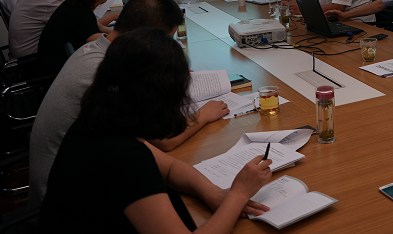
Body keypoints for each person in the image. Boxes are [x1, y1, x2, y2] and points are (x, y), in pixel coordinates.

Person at [39, 28, 272, 233]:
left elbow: (169, 169)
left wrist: (212, 193)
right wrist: (238, 194)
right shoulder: (124, 157)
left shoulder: (99, 121)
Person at [29, 0, 230, 208]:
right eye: (166, 41)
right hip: (67, 202)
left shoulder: (96, 51)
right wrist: (202, 115)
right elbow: (164, 140)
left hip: (74, 177)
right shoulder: (104, 73)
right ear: (147, 38)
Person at [36, 0, 118, 76]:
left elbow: (99, 27)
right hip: (56, 72)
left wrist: (121, 32)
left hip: (50, 64)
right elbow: (103, 45)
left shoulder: (74, 3)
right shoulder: (81, 13)